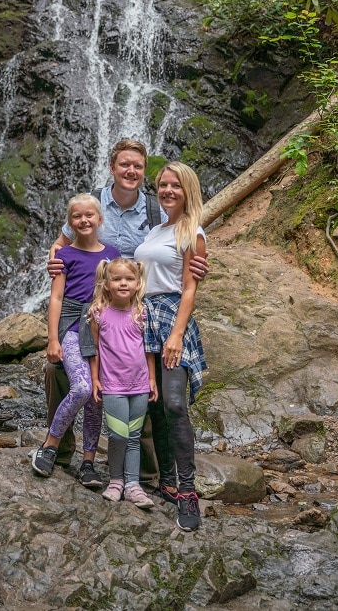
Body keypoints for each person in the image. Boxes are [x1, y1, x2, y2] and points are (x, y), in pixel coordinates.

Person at [45, 139, 210, 481]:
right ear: (112, 168)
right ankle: (60, 452)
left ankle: (146, 472)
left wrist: (199, 266)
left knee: (141, 378)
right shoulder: (91, 204)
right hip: (85, 306)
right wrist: (53, 260)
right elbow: (61, 243)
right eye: (124, 165)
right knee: (59, 368)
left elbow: (181, 241)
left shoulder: (155, 211)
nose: (131, 171)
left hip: (134, 309)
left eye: (137, 166)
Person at [134, 161, 207, 532]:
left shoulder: (192, 232)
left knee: (175, 403)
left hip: (171, 318)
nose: (167, 191)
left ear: (187, 189)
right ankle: (166, 482)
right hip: (143, 319)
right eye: (162, 185)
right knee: (155, 405)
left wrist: (176, 334)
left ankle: (189, 492)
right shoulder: (152, 232)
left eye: (174, 185)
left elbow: (191, 287)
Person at [32, 194, 120, 483]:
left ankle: (89, 462)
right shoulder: (64, 254)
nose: (83, 220)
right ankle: (50, 445)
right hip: (71, 326)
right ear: (70, 223)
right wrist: (52, 340)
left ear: (99, 219)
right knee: (82, 387)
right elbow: (56, 298)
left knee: (97, 395)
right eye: (76, 217)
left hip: (101, 329)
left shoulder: (113, 254)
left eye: (89, 215)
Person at [89, 257, 157, 509]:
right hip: (113, 387)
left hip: (139, 386)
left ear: (138, 283)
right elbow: (94, 350)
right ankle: (115, 481)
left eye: (129, 279)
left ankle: (133, 485)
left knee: (134, 435)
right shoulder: (99, 313)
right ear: (106, 284)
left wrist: (152, 378)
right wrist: (95, 379)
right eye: (116, 279)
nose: (123, 284)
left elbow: (149, 350)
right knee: (118, 435)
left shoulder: (142, 312)